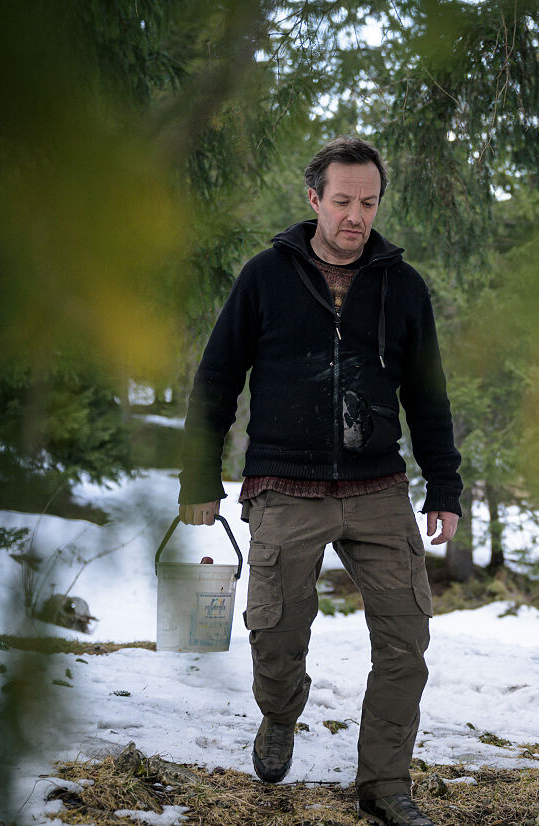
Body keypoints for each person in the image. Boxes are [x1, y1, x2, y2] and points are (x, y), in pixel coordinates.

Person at [177, 136, 461, 826]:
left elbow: (428, 396)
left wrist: (444, 487)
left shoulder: (404, 287)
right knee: (275, 635)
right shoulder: (264, 277)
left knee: (406, 643)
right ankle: (279, 714)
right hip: (283, 487)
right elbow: (216, 380)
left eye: (368, 202)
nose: (355, 215)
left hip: (377, 489)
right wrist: (198, 478)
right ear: (314, 199)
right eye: (342, 201)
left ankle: (386, 785)